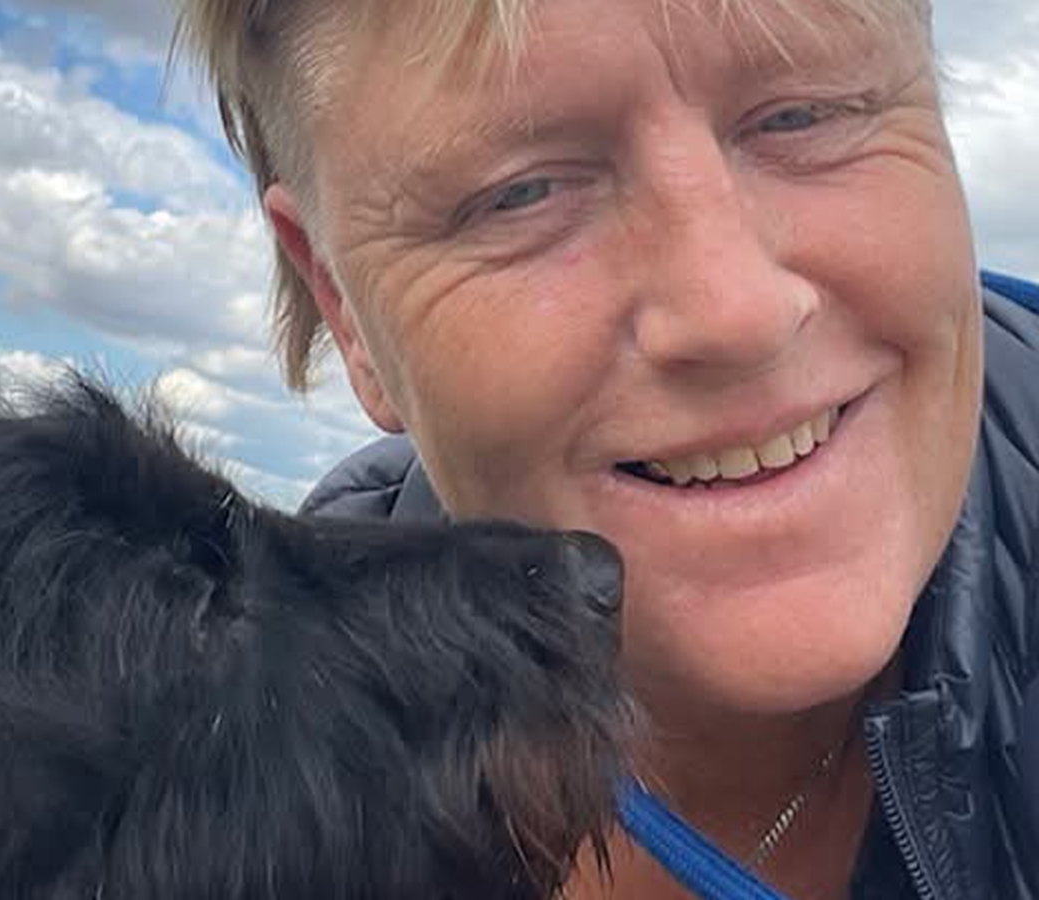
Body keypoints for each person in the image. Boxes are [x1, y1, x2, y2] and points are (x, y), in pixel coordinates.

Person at [174, 1, 1039, 898]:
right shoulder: (227, 788)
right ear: (344, 307)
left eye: (805, 115)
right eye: (520, 193)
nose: (735, 312)